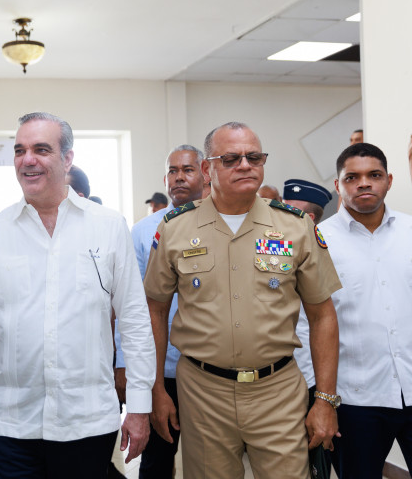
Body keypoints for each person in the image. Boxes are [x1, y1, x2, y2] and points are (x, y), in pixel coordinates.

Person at [0, 112, 156, 478]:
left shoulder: (108, 227)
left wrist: (139, 407)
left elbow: (134, 320)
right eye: (20, 150)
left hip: (86, 421)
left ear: (68, 158)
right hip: (11, 422)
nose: (28, 160)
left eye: (41, 149)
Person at [144, 121, 341, 479]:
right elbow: (155, 311)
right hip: (203, 393)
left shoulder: (295, 226)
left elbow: (323, 315)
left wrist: (325, 400)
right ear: (208, 169)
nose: (245, 165)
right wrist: (156, 389)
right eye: (231, 158)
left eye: (254, 157)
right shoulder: (175, 228)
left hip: (278, 391)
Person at [319, 143, 412, 478]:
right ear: (338, 185)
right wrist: (319, 399)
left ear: (389, 180)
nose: (364, 183)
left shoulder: (410, 231)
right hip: (355, 400)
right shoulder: (319, 241)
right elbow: (304, 324)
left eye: (374, 175)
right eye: (352, 177)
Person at [127, 145, 206, 478]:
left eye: (187, 170)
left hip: (207, 369)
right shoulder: (144, 231)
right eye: (173, 171)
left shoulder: (219, 225)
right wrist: (125, 364)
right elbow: (130, 304)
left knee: (209, 461)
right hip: (161, 368)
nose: (179, 177)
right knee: (157, 460)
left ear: (205, 174)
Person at [283, 178, 335, 477]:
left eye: (289, 210)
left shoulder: (321, 247)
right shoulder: (276, 243)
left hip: (311, 373)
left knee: (313, 462)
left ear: (309, 218)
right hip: (281, 374)